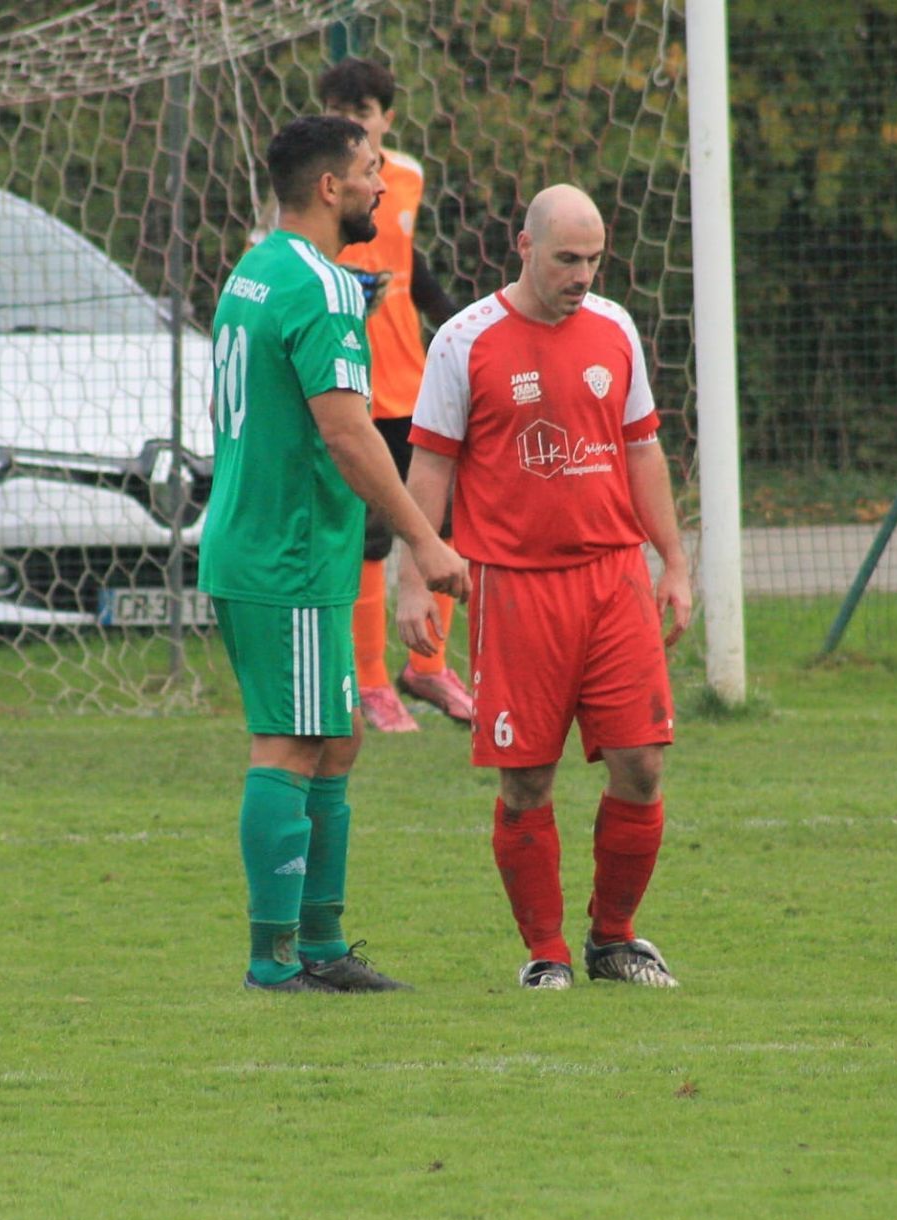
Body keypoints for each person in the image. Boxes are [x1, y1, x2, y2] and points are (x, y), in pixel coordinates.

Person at [396, 184, 695, 990]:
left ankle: (615, 938)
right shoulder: (465, 341)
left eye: (595, 259)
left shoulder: (616, 328)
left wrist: (675, 560)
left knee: (641, 764)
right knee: (526, 777)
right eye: (567, 259)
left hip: (614, 579)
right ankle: (546, 954)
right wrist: (415, 579)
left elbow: (641, 451)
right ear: (524, 248)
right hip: (517, 589)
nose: (583, 276)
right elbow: (430, 464)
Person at [200, 115, 471, 994]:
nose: (380, 188)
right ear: (329, 187)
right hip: (287, 557)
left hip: (267, 546)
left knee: (339, 737)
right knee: (289, 745)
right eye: (367, 172)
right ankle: (274, 960)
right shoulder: (320, 286)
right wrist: (424, 542)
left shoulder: (259, 267)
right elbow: (350, 435)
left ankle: (318, 944)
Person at [317, 57, 472, 734]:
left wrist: (464, 324)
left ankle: (428, 667)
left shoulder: (405, 178)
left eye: (364, 112)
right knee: (370, 539)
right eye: (340, 112)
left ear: (386, 118)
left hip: (413, 382)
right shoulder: (313, 187)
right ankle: (372, 683)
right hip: (348, 388)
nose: (353, 123)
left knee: (443, 525)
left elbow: (414, 269)